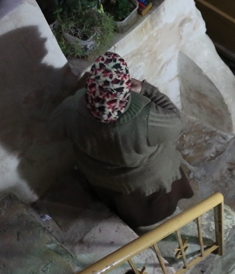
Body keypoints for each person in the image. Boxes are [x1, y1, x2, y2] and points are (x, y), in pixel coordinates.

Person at [50, 52, 193, 230]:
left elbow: (54, 128)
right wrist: (147, 90)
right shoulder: (145, 117)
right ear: (125, 88)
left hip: (103, 179)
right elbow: (177, 122)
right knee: (157, 206)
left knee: (125, 203)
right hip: (149, 179)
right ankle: (156, 224)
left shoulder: (70, 109)